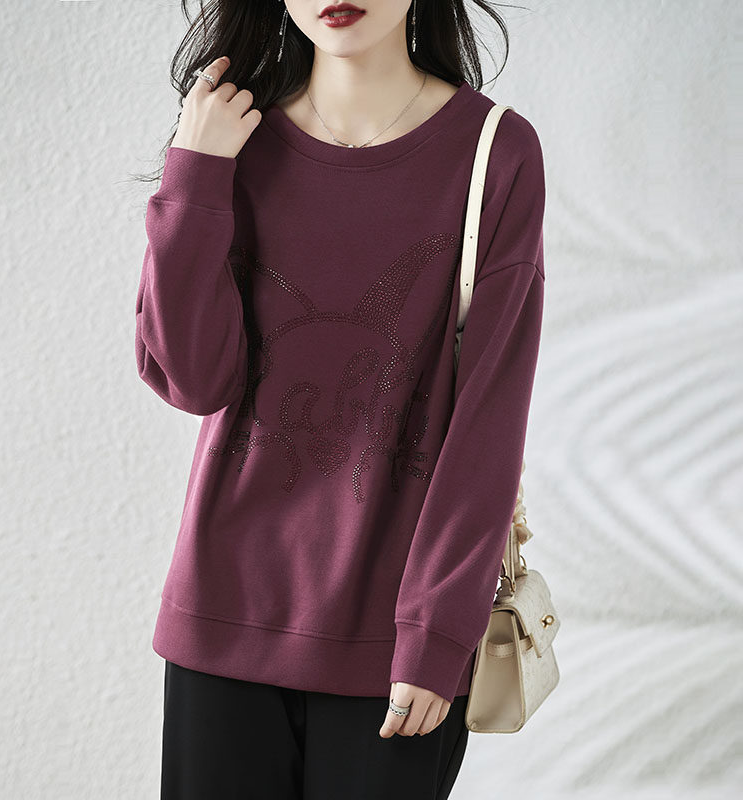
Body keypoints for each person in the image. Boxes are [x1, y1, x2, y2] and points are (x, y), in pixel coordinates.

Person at [133, 1, 546, 797]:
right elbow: (192, 379)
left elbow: (490, 417)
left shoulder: (495, 151)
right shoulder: (234, 141)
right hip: (223, 609)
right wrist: (195, 173)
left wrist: (436, 632)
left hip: (396, 641)